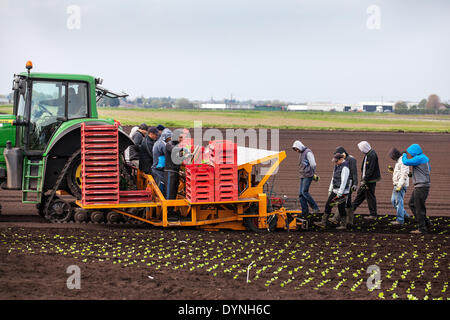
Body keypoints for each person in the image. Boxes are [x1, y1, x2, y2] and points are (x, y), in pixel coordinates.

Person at [315, 153, 350, 229]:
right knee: (328, 205)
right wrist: (330, 189)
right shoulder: (337, 166)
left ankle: (344, 225)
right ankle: (323, 222)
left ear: (341, 159)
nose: (335, 162)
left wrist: (340, 193)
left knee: (341, 208)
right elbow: (333, 177)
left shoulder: (345, 168)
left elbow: (344, 181)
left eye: (336, 161)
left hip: (342, 192)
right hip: (335, 190)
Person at [402, 144, 431, 234]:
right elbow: (425, 171)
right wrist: (413, 175)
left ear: (414, 152)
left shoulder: (419, 158)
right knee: (412, 204)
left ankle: (422, 228)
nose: (410, 154)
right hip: (422, 186)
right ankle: (426, 222)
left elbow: (406, 162)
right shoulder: (423, 158)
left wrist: (404, 155)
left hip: (421, 187)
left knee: (419, 207)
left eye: (410, 152)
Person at [329, 146, 358, 227]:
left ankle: (342, 220)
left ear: (343, 153)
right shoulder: (340, 161)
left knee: (344, 201)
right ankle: (348, 221)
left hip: (349, 183)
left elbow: (354, 172)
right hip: (343, 183)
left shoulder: (351, 159)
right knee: (347, 202)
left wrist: (355, 183)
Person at [351, 141, 381, 220]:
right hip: (366, 180)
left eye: (361, 148)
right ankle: (351, 210)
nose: (360, 150)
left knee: (368, 196)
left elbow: (370, 169)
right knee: (361, 195)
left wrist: (365, 180)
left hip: (369, 181)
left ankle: (373, 214)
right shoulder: (369, 154)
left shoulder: (372, 155)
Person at [292, 140, 320, 215]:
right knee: (301, 194)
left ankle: (315, 208)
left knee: (304, 192)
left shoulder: (308, 152)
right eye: (295, 150)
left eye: (297, 149)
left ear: (300, 147)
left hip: (308, 175)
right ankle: (305, 211)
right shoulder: (301, 153)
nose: (297, 151)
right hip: (303, 175)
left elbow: (313, 164)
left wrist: (312, 172)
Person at [164, 132, 184, 221]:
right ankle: (168, 213)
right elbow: (176, 151)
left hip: (175, 171)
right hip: (170, 172)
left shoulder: (176, 146)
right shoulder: (169, 145)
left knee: (174, 192)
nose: (181, 139)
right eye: (179, 138)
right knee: (170, 193)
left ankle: (171, 211)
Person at [388, 147, 410, 225]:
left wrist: (399, 186)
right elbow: (400, 173)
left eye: (392, 156)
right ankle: (405, 215)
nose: (392, 158)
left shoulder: (403, 161)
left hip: (400, 185)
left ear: (395, 155)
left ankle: (400, 220)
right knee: (394, 201)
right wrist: (393, 171)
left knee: (398, 202)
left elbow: (404, 175)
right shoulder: (399, 161)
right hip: (397, 184)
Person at [152, 129, 172, 194]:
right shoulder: (163, 144)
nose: (170, 139)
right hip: (159, 169)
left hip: (156, 168)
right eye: (170, 137)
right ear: (166, 137)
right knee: (161, 189)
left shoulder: (158, 142)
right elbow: (170, 155)